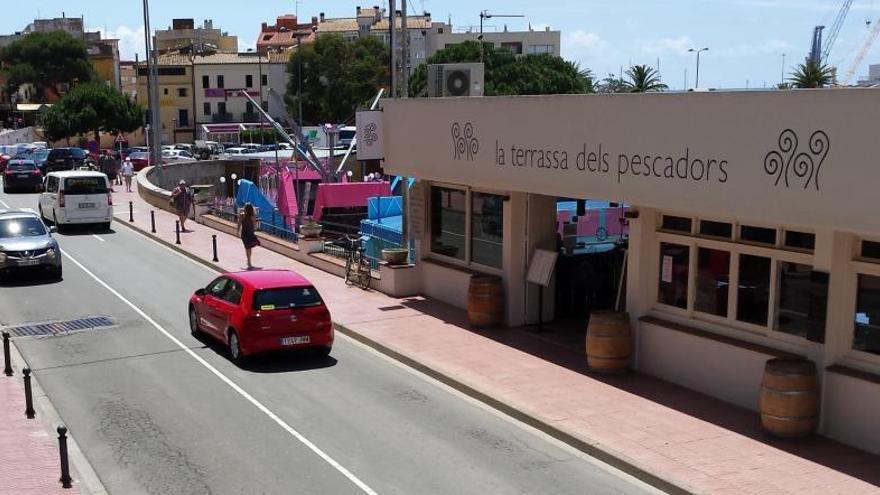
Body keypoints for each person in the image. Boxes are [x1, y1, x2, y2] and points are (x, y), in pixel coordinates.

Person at [237, 202, 260, 269]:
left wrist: (237, 231)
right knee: (249, 248)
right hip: (250, 233)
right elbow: (255, 226)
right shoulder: (253, 216)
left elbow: (239, 224)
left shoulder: (242, 215)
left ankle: (249, 261)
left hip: (244, 234)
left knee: (247, 248)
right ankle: (249, 262)